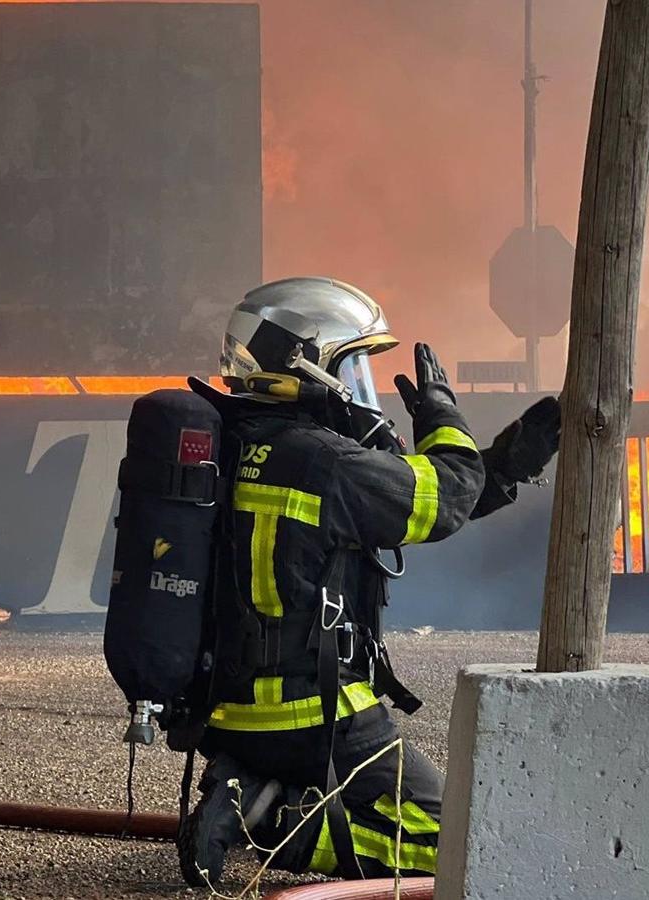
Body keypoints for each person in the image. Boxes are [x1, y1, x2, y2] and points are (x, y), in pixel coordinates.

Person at [181, 277, 560, 885]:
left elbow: (414, 501)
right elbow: (441, 500)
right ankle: (273, 819)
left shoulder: (233, 441)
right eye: (352, 364)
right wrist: (443, 416)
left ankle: (248, 780)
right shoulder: (323, 463)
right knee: (472, 845)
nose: (363, 387)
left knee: (440, 830)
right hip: (315, 717)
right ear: (304, 363)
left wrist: (507, 464)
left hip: (227, 711)